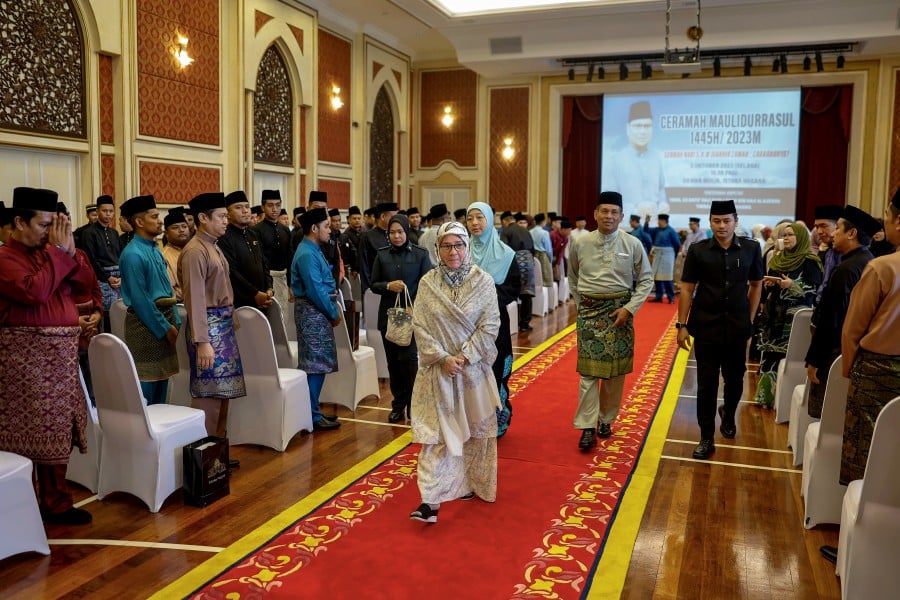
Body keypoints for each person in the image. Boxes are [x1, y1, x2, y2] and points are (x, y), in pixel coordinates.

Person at [0, 186, 96, 525]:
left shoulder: (49, 251)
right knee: (29, 434)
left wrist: (69, 250)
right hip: (26, 364)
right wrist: (58, 251)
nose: (49, 233)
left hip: (60, 361)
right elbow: (34, 292)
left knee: (60, 429)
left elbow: (85, 285)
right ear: (19, 222)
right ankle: (22, 503)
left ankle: (56, 503)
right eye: (44, 225)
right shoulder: (5, 258)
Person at [817, 191, 900, 566]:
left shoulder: (883, 268)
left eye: (888, 215)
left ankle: (854, 548)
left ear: (898, 221)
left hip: (877, 373)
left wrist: (850, 371)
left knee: (867, 458)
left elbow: (851, 330)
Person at [408, 221, 501, 523]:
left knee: (475, 433)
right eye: (446, 246)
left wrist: (465, 356)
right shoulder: (428, 283)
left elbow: (491, 325)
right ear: (437, 249)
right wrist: (443, 358)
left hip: (473, 371)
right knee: (436, 436)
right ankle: (430, 502)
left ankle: (471, 483)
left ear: (467, 246)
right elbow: (419, 326)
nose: (453, 252)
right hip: (439, 372)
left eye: (458, 245)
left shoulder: (483, 281)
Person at [677, 199, 764, 459]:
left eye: (727, 221)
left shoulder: (751, 249)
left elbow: (756, 284)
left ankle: (728, 413)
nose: (722, 226)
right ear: (710, 222)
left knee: (735, 380)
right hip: (706, 326)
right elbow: (687, 289)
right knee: (706, 384)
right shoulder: (698, 250)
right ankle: (706, 436)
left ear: (736, 222)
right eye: (717, 221)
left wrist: (748, 319)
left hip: (737, 328)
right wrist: (681, 325)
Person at [568, 191, 653, 450]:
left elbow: (646, 279)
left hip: (620, 314)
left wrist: (630, 309)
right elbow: (572, 276)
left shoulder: (632, 244)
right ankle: (586, 427)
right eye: (604, 211)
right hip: (590, 315)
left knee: (615, 374)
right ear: (595, 214)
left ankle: (606, 419)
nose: (609, 216)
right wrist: (581, 304)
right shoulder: (580, 243)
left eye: (614, 212)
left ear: (622, 216)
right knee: (589, 374)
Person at [178, 192, 247, 444]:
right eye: (221, 217)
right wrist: (202, 341)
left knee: (223, 395)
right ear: (202, 218)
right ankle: (204, 456)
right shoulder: (195, 251)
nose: (226, 221)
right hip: (208, 330)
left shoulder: (213, 245)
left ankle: (217, 454)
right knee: (209, 396)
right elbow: (194, 299)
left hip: (222, 327)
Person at [804, 205, 878, 418]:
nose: (834, 233)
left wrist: (814, 360)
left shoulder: (846, 269)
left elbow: (831, 319)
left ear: (852, 233)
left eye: (839, 229)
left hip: (834, 352)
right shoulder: (869, 261)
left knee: (825, 415)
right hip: (854, 350)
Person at [118, 194, 181, 406]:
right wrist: (166, 328)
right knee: (147, 390)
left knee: (163, 386)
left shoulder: (154, 249)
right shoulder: (133, 254)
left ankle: (161, 436)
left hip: (163, 322)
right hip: (146, 327)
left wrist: (175, 323)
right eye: (154, 216)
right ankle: (148, 437)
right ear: (139, 221)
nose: (160, 220)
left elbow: (167, 291)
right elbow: (141, 300)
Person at [370, 214, 432, 423]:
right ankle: (398, 404)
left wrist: (411, 304)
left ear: (406, 232)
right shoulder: (382, 255)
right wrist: (388, 286)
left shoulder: (420, 255)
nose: (396, 236)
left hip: (413, 317)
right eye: (392, 232)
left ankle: (414, 404)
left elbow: (427, 286)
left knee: (409, 361)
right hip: (389, 317)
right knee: (393, 363)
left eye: (400, 232)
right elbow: (373, 284)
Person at [753, 222, 823, 407]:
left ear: (800, 238)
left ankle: (782, 402)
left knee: (785, 361)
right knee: (769, 357)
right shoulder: (778, 259)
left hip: (794, 319)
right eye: (784, 234)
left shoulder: (810, 261)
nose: (786, 238)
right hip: (774, 314)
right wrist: (772, 284)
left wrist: (792, 286)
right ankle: (765, 398)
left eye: (791, 235)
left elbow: (813, 292)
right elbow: (774, 283)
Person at [467, 202, 520, 437]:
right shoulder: (460, 250)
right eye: (470, 219)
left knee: (496, 371)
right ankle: (469, 423)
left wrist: (483, 295)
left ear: (490, 220)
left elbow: (513, 288)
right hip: (465, 323)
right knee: (469, 371)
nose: (475, 223)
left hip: (495, 323)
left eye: (480, 217)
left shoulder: (506, 255)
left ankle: (497, 420)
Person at [290, 208, 343, 431]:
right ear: (314, 228)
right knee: (314, 364)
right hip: (313, 311)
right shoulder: (306, 253)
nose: (329, 230)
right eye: (326, 226)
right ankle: (311, 414)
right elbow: (315, 289)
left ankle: (314, 411)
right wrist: (332, 312)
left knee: (319, 364)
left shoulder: (313, 249)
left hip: (317, 311)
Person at [605, 100, 668, 219]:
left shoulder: (656, 158)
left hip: (654, 224)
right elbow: (609, 201)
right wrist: (635, 209)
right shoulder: (616, 160)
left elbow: (661, 190)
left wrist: (663, 204)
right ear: (628, 128)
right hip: (626, 224)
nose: (643, 131)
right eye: (638, 126)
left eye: (647, 126)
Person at [217, 190, 273, 310]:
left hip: (262, 299)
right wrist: (254, 293)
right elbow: (232, 272)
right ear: (228, 213)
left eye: (247, 207)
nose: (245, 211)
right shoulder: (224, 237)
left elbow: (264, 264)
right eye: (239, 207)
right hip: (240, 303)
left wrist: (269, 288)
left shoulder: (252, 234)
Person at [253, 189, 294, 336]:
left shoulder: (285, 230)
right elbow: (259, 261)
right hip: (266, 283)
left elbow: (290, 258)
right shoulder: (256, 230)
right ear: (263, 207)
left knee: (284, 320)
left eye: (278, 205)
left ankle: (283, 354)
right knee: (269, 322)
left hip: (283, 279)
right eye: (270, 205)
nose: (275, 209)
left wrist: (290, 284)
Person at [78, 194, 122, 330]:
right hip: (101, 278)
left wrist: (120, 277)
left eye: (111, 211)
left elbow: (120, 256)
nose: (108, 214)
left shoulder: (114, 232)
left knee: (118, 312)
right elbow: (90, 259)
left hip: (118, 279)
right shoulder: (89, 233)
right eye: (104, 211)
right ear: (97, 211)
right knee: (105, 314)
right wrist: (107, 277)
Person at [499, 210, 536, 332]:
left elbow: (503, 251)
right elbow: (533, 248)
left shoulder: (506, 231)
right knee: (526, 293)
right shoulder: (525, 230)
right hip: (529, 261)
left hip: (514, 261)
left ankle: (512, 323)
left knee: (512, 291)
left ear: (505, 221)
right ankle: (525, 323)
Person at [644, 213, 682, 303]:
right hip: (658, 254)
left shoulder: (671, 231)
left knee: (667, 277)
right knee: (657, 277)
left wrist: (674, 255)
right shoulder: (657, 230)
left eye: (659, 221)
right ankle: (659, 296)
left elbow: (677, 244)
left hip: (667, 255)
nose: (658, 222)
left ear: (664, 221)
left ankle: (671, 297)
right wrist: (646, 222)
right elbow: (646, 230)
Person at [359, 202, 398, 290]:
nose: (396, 220)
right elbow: (364, 266)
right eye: (393, 217)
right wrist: (367, 290)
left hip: (395, 286)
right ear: (383, 217)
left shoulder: (398, 236)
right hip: (376, 286)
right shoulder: (367, 237)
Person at [812, 205, 844, 306]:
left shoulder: (850, 257)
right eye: (816, 227)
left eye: (823, 226)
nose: (819, 232)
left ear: (838, 226)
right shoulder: (828, 253)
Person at [161, 207, 189, 302]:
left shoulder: (195, 251)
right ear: (166, 233)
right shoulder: (164, 256)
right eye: (175, 228)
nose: (181, 230)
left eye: (184, 226)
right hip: (182, 308)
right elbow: (170, 291)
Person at [530, 213, 554, 287]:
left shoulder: (530, 231)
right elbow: (548, 249)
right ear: (543, 221)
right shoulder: (545, 233)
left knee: (536, 277)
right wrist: (551, 259)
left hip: (533, 255)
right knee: (545, 280)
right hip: (543, 256)